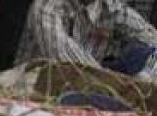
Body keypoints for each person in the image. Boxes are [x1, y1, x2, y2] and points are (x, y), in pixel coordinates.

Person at [16, 0, 157, 77]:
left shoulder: (110, 8)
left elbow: (151, 36)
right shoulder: (46, 7)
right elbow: (75, 64)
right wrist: (117, 83)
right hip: (31, 96)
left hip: (82, 95)